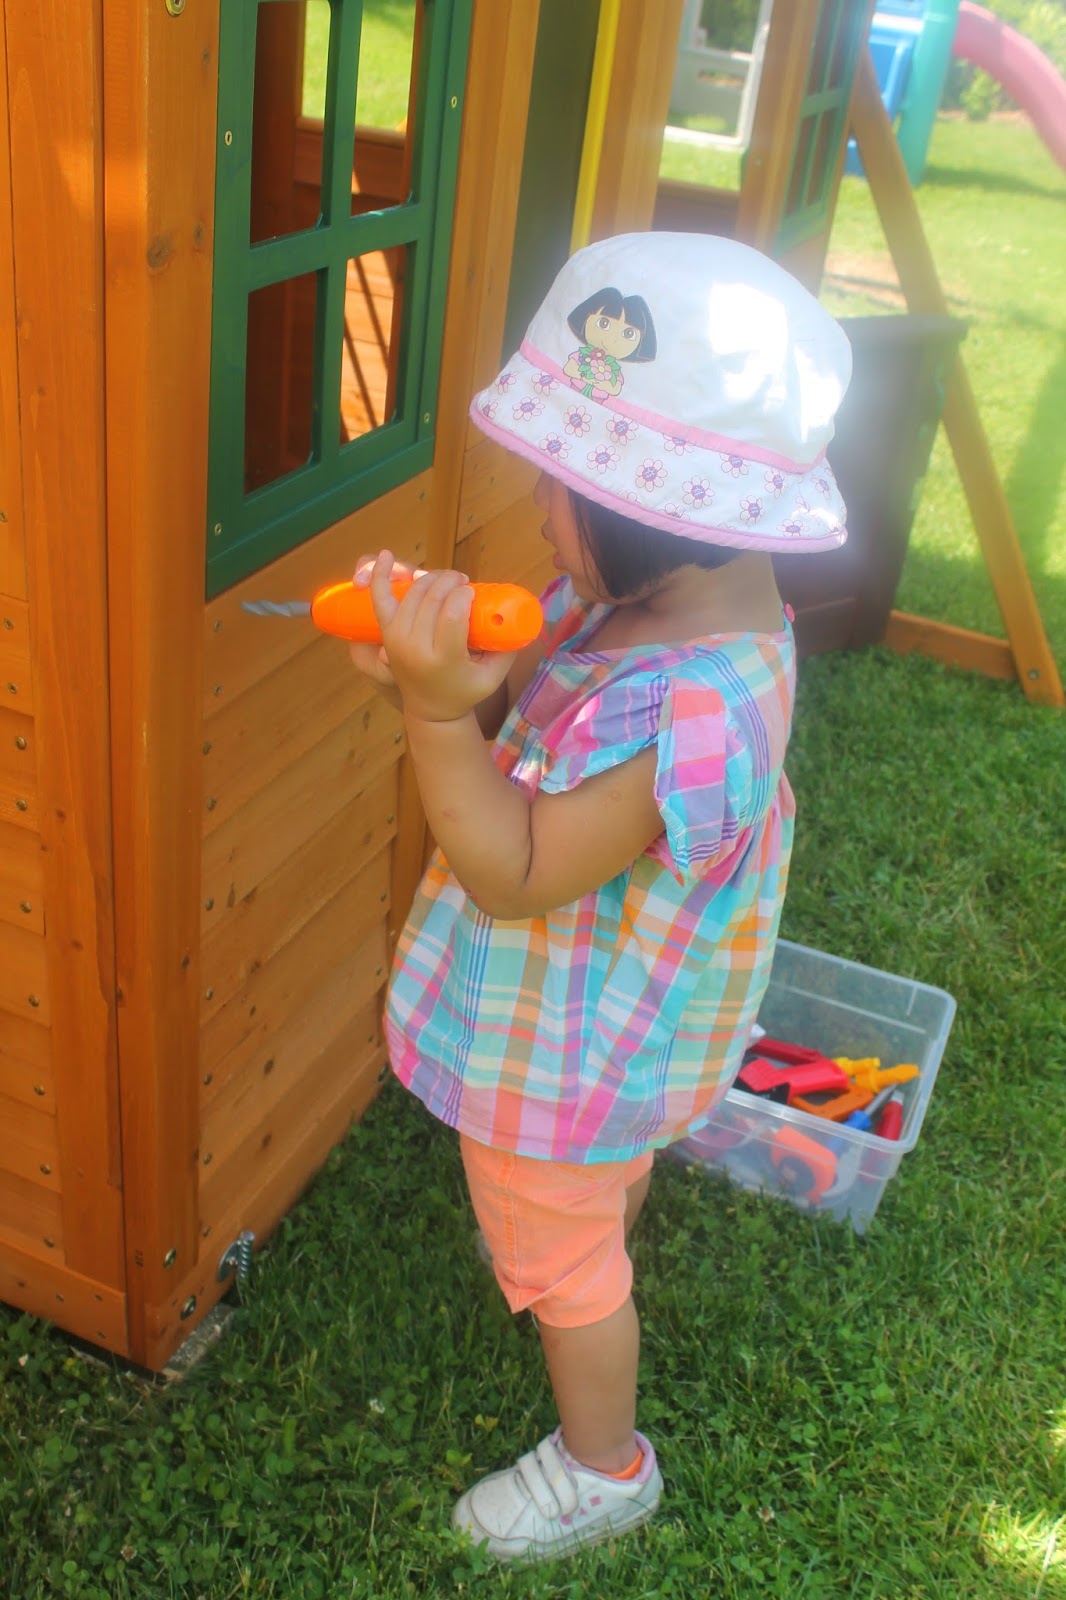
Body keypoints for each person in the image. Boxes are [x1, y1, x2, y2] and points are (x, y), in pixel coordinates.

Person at [347, 232, 852, 1562]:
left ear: (664, 517)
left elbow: (514, 869)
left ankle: (601, 1466)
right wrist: (456, 680)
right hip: (617, 1019)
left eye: (562, 487)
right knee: (588, 1201)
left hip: (563, 1048)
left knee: (567, 1274)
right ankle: (596, 1209)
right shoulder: (663, 606)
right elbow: (533, 735)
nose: (535, 507)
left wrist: (431, 718)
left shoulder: (689, 707)